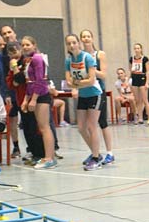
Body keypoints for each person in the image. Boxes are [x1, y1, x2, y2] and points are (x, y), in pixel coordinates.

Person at [65, 34, 106, 171]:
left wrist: (77, 83)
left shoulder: (87, 58)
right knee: (81, 127)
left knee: (91, 126)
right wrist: (77, 84)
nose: (72, 45)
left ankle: (95, 158)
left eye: (74, 42)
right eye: (69, 43)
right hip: (83, 95)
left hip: (95, 94)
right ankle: (96, 153)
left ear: (78, 43)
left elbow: (92, 80)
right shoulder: (68, 60)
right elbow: (68, 82)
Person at [21, 36, 58, 169]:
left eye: (28, 45)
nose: (25, 47)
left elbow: (40, 80)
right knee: (41, 127)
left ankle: (50, 158)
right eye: (23, 45)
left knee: (44, 127)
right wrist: (26, 100)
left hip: (42, 96)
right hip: (34, 96)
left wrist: (34, 99)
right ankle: (48, 156)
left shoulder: (37, 59)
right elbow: (29, 83)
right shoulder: (29, 60)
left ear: (34, 45)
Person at [80, 29, 116, 165]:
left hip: (98, 91)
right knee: (86, 126)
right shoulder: (81, 56)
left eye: (88, 36)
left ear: (92, 38)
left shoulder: (99, 54)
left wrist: (91, 69)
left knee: (102, 123)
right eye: (83, 37)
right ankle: (95, 152)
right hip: (86, 92)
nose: (86, 39)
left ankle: (110, 153)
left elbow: (103, 75)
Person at [0, 25, 21, 158]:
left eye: (9, 32)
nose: (7, 35)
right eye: (4, 34)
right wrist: (5, 94)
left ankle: (46, 148)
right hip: (9, 95)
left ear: (14, 33)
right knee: (12, 121)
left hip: (25, 93)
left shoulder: (23, 52)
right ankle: (16, 147)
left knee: (32, 121)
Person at [129, 43, 149, 124]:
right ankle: (140, 118)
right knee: (137, 100)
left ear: (141, 49)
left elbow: (148, 71)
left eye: (138, 48)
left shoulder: (145, 59)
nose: (136, 50)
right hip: (135, 78)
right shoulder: (132, 58)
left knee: (145, 100)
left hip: (142, 78)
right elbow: (130, 69)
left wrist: (147, 82)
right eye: (135, 48)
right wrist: (129, 79)